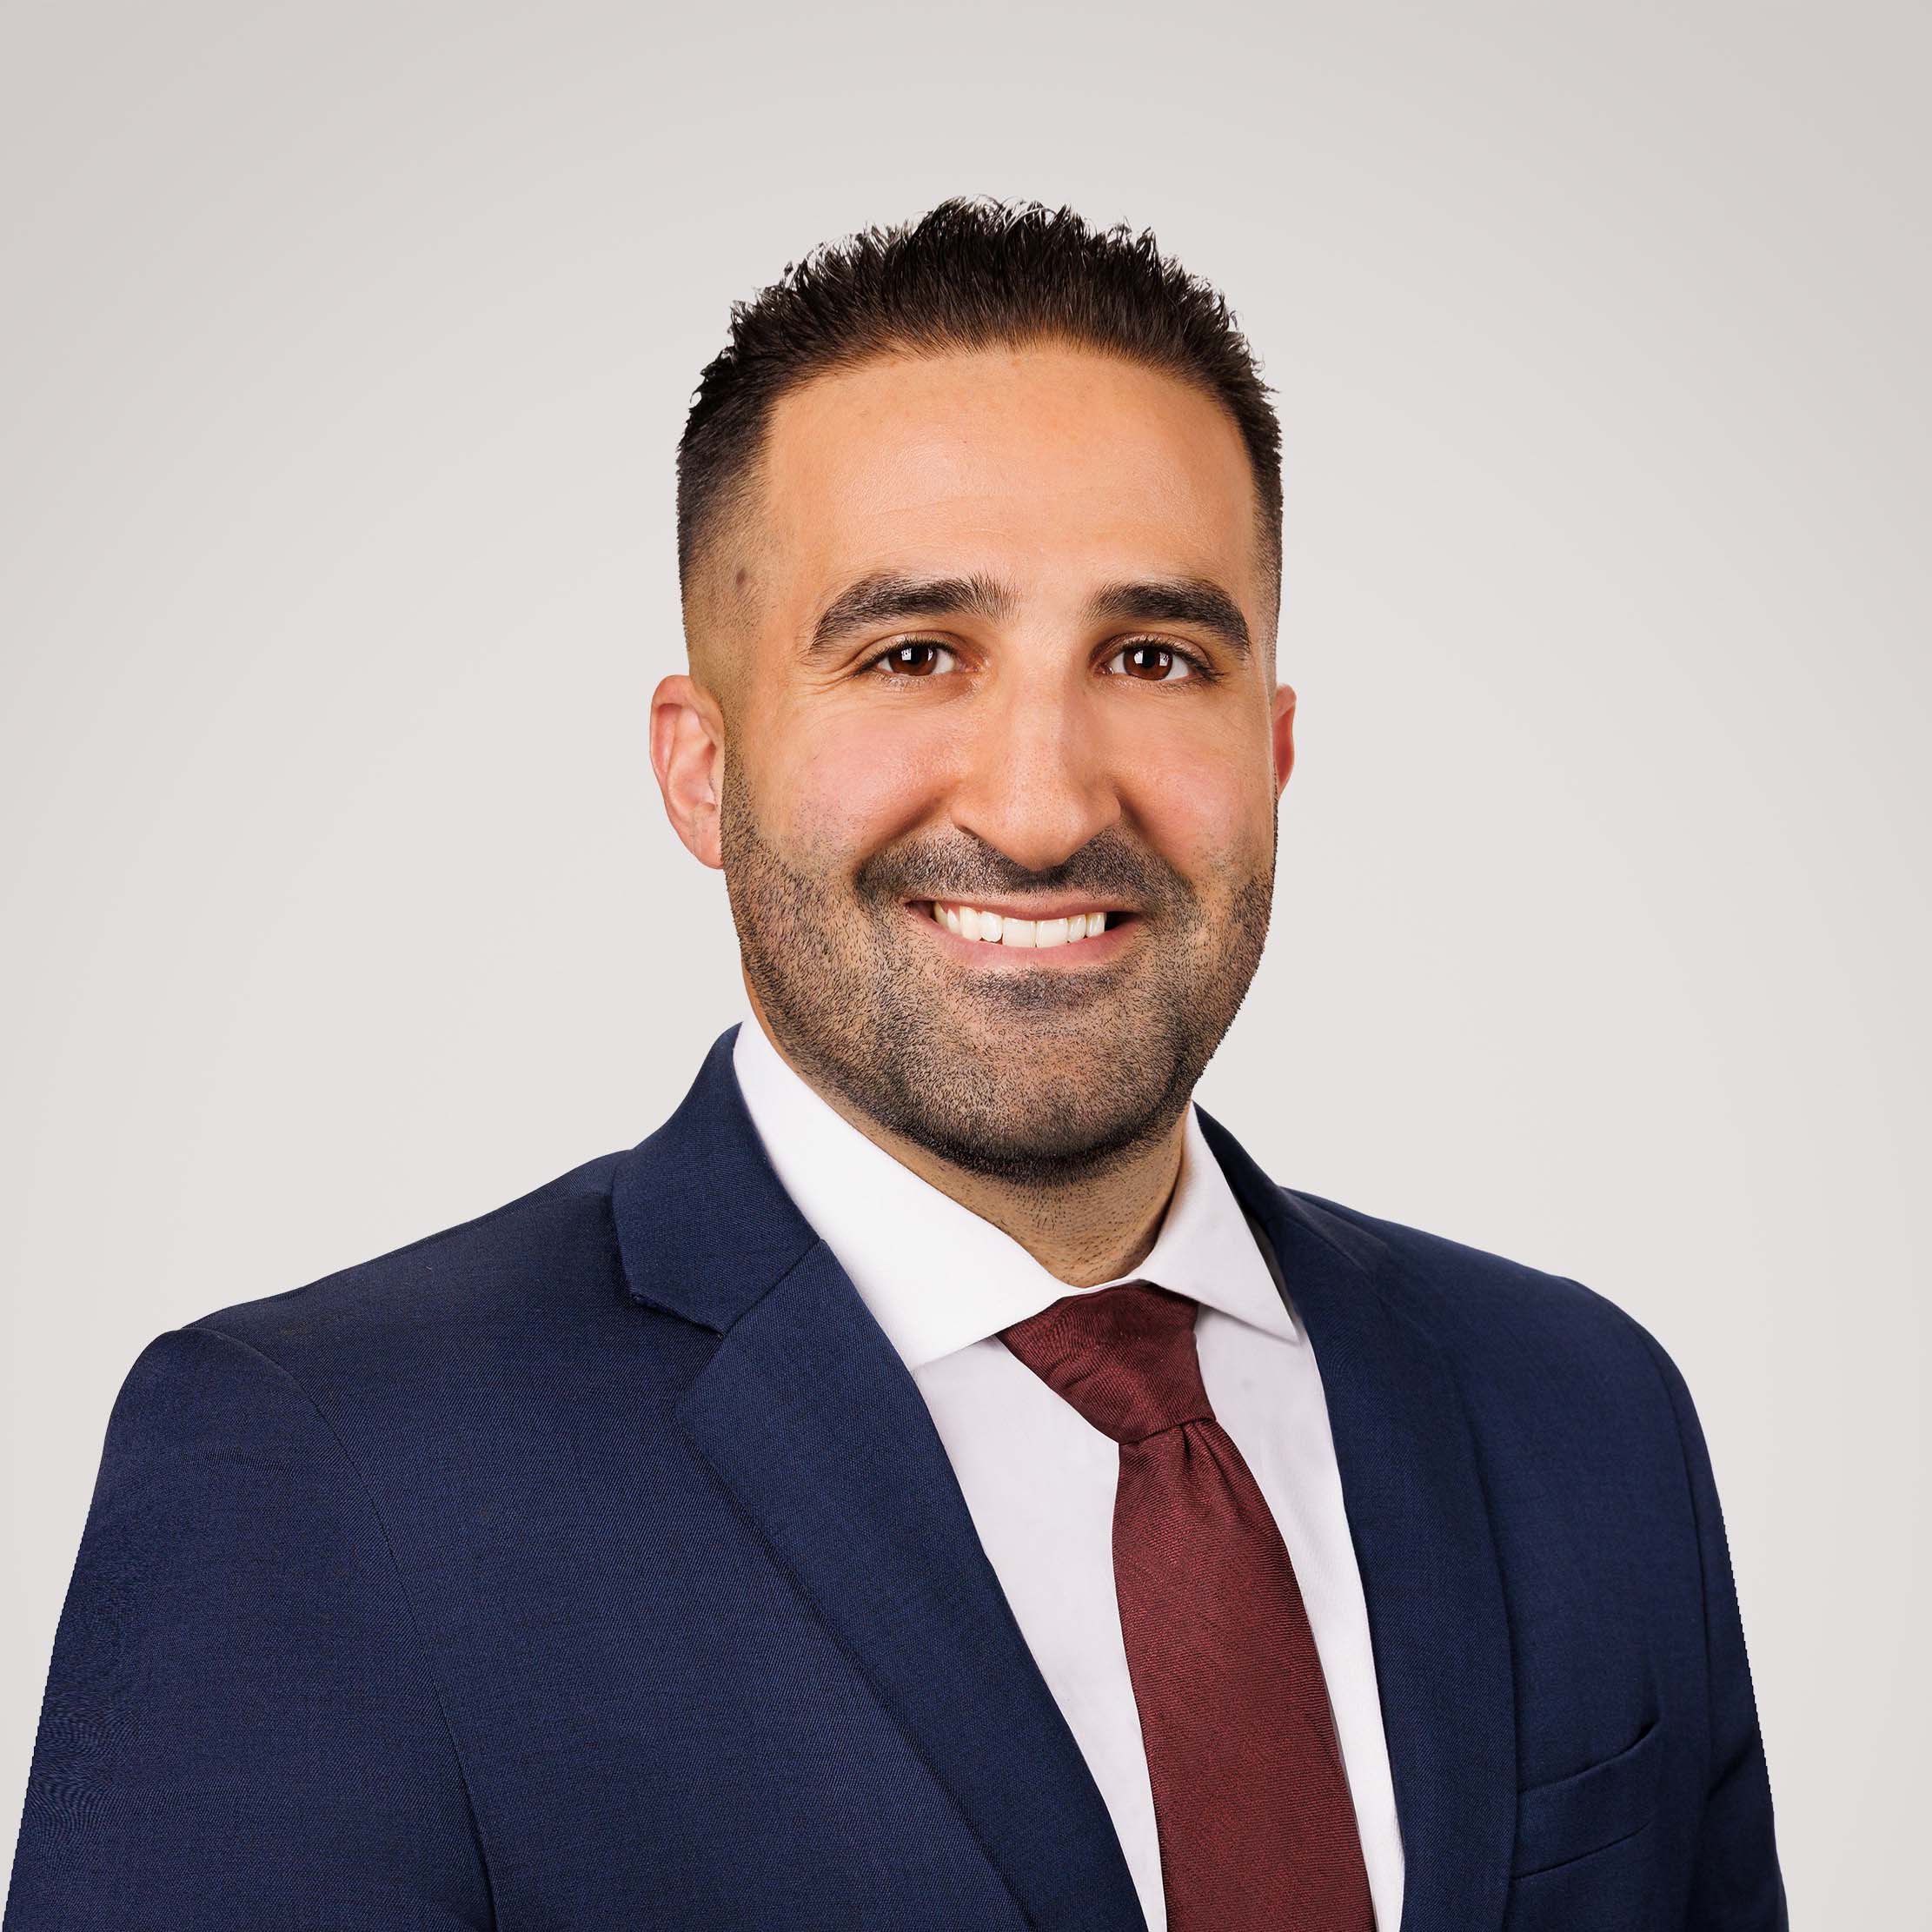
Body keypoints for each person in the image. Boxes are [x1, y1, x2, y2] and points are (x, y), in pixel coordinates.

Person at [4, 198, 1785, 1932]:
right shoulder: (325, 1470)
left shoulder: (1582, 1412)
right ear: (703, 768)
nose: (1043, 804)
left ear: (1274, 749)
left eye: (1152, 656)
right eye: (913, 653)